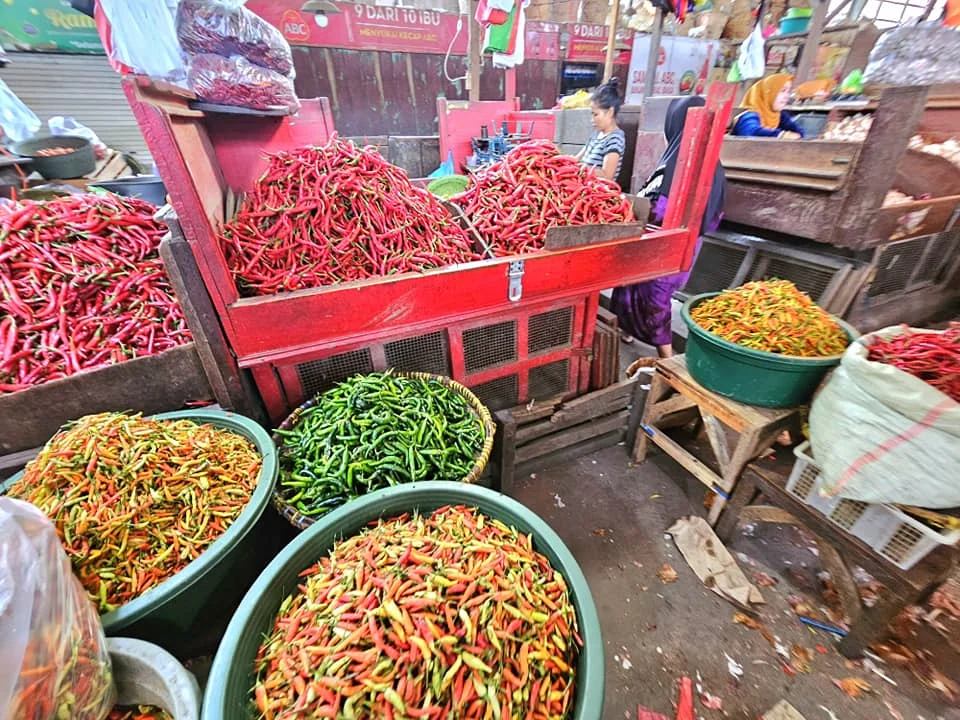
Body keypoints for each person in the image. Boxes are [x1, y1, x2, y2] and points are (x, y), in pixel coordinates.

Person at [611, 96, 726, 358]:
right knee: (627, 288)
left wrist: (636, 212)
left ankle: (667, 356)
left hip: (669, 247)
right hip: (667, 242)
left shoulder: (678, 165)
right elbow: (714, 217)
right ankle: (626, 331)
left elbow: (659, 210)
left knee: (656, 298)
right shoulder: (688, 163)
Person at [575, 78, 626, 182]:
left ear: (610, 112)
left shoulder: (615, 139)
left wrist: (583, 169)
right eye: (592, 114)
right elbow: (576, 159)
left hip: (597, 189)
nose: (592, 119)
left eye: (596, 114)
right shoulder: (596, 135)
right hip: (583, 185)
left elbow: (607, 175)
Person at [731, 74, 805, 139]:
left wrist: (795, 134)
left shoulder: (780, 116)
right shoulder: (749, 115)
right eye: (783, 91)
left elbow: (799, 134)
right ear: (767, 94)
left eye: (788, 91)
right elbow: (752, 132)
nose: (786, 96)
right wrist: (782, 135)